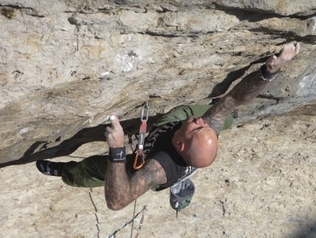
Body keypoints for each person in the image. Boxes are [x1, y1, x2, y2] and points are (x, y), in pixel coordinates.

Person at [36, 43, 300, 211]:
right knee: (222, 112)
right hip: (179, 138)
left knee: (102, 171)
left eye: (198, 127)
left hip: (161, 155)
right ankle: (212, 127)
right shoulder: (200, 126)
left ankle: (67, 173)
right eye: (203, 126)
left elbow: (117, 201)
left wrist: (117, 149)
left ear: (181, 144)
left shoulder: (159, 167)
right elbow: (232, 100)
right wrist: (270, 71)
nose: (200, 122)